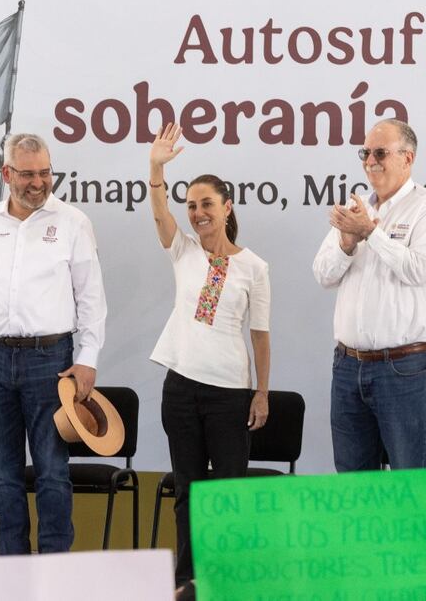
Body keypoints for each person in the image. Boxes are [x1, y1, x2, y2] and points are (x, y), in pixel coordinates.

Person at [0, 133, 106, 555]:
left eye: (45, 173)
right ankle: (11, 568)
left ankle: (53, 566)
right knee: (2, 474)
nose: (38, 183)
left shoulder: (73, 222)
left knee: (52, 472)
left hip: (51, 361)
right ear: (7, 173)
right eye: (28, 174)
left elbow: (91, 298)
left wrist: (87, 360)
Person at [147, 124, 271, 589]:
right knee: (188, 491)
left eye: (207, 205)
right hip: (180, 389)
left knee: (228, 494)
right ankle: (188, 582)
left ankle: (229, 581)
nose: (198, 213)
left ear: (227, 208)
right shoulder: (182, 250)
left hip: (230, 394)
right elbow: (160, 213)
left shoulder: (254, 267)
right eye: (192, 205)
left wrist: (261, 393)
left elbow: (260, 336)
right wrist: (156, 168)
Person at [312, 119, 426, 472]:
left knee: (408, 485)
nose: (370, 161)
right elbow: (322, 275)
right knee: (353, 489)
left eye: (380, 153)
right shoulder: (357, 208)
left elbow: (418, 270)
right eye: (365, 153)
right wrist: (347, 244)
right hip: (347, 366)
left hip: (403, 368)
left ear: (408, 158)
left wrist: (370, 233)